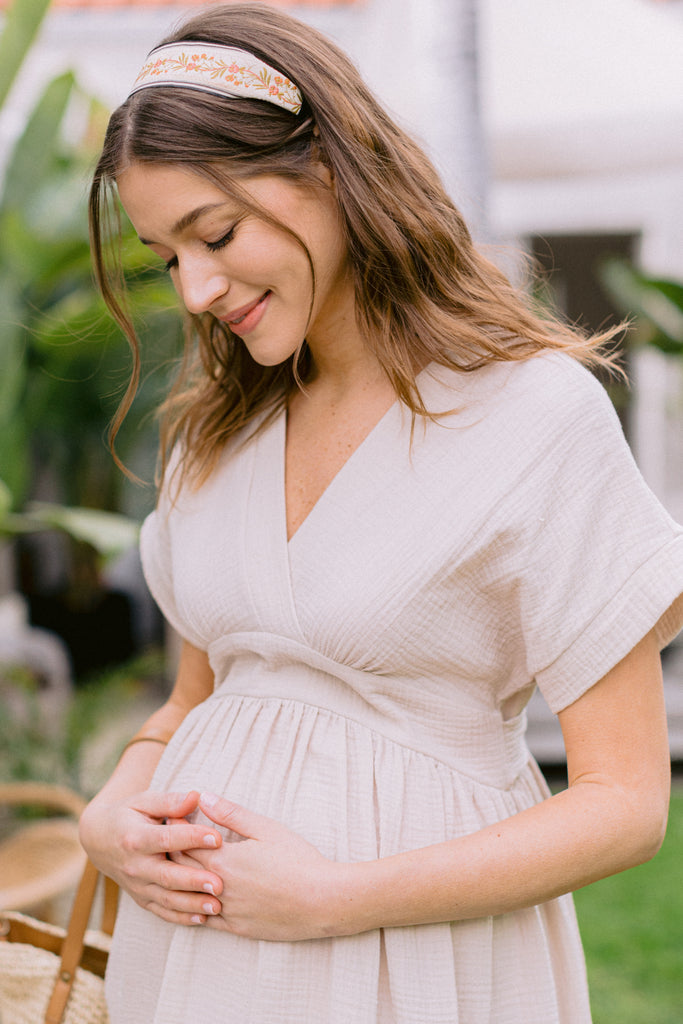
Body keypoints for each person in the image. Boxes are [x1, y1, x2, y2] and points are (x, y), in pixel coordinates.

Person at [79, 4, 683, 1022]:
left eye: (213, 234)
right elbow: (191, 702)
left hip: (420, 969)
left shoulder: (530, 414)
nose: (193, 288)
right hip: (191, 972)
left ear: (326, 169)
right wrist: (109, 813)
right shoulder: (213, 434)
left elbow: (624, 805)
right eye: (162, 257)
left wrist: (332, 898)